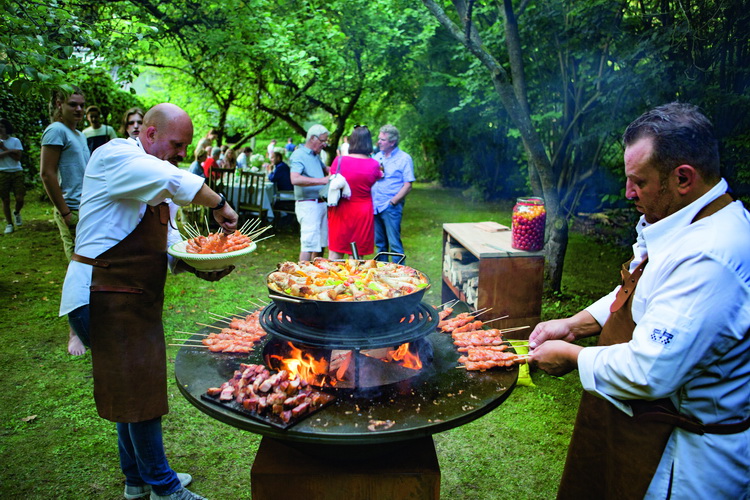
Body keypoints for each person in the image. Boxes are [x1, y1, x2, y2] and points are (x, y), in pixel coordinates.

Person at [529, 103, 750, 500]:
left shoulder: (710, 255)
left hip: (681, 460)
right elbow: (639, 290)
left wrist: (571, 355)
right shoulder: (683, 222)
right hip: (641, 429)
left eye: (639, 182)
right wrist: (574, 324)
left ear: (683, 178)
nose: (628, 193)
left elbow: (650, 370)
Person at [61, 103, 238, 500]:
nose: (181, 153)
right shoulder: (115, 155)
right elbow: (173, 178)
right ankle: (164, 487)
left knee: (131, 387)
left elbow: (171, 244)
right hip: (100, 293)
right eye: (177, 144)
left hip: (131, 297)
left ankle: (137, 479)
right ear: (151, 134)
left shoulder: (162, 182)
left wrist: (201, 265)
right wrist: (218, 202)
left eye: (186, 147)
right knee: (138, 390)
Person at [39, 85, 90, 356]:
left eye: (81, 104)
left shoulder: (78, 134)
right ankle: (74, 333)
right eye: (73, 104)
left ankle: (86, 325)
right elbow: (46, 174)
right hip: (71, 211)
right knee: (77, 270)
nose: (79, 109)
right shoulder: (55, 131)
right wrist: (65, 212)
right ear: (59, 103)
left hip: (87, 211)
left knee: (90, 268)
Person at [327, 126, 382, 259]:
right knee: (356, 255)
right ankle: (354, 279)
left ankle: (331, 279)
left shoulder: (339, 161)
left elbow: (332, 181)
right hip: (362, 211)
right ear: (369, 142)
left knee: (335, 252)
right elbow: (373, 180)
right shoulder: (374, 165)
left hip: (340, 209)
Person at [371, 124, 415, 262]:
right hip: (375, 206)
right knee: (380, 245)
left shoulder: (404, 158)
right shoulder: (377, 157)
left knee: (395, 245)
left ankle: (400, 277)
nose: (379, 142)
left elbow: (408, 185)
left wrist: (393, 202)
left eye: (382, 140)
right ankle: (382, 276)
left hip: (390, 207)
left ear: (392, 142)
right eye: (379, 139)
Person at [289, 124, 330, 261]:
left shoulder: (316, 155)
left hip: (321, 203)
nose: (324, 144)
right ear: (313, 138)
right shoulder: (299, 154)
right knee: (309, 244)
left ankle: (316, 274)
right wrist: (322, 180)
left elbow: (326, 170)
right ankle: (301, 278)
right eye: (323, 141)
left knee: (321, 244)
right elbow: (294, 178)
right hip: (308, 204)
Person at [0, 118, 24, 235]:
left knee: (20, 198)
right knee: (5, 199)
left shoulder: (15, 140)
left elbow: (17, 157)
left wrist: (4, 149)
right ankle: (9, 224)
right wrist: (11, 151)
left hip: (16, 171)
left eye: (2, 126)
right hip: (2, 172)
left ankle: (17, 212)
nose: (0, 129)